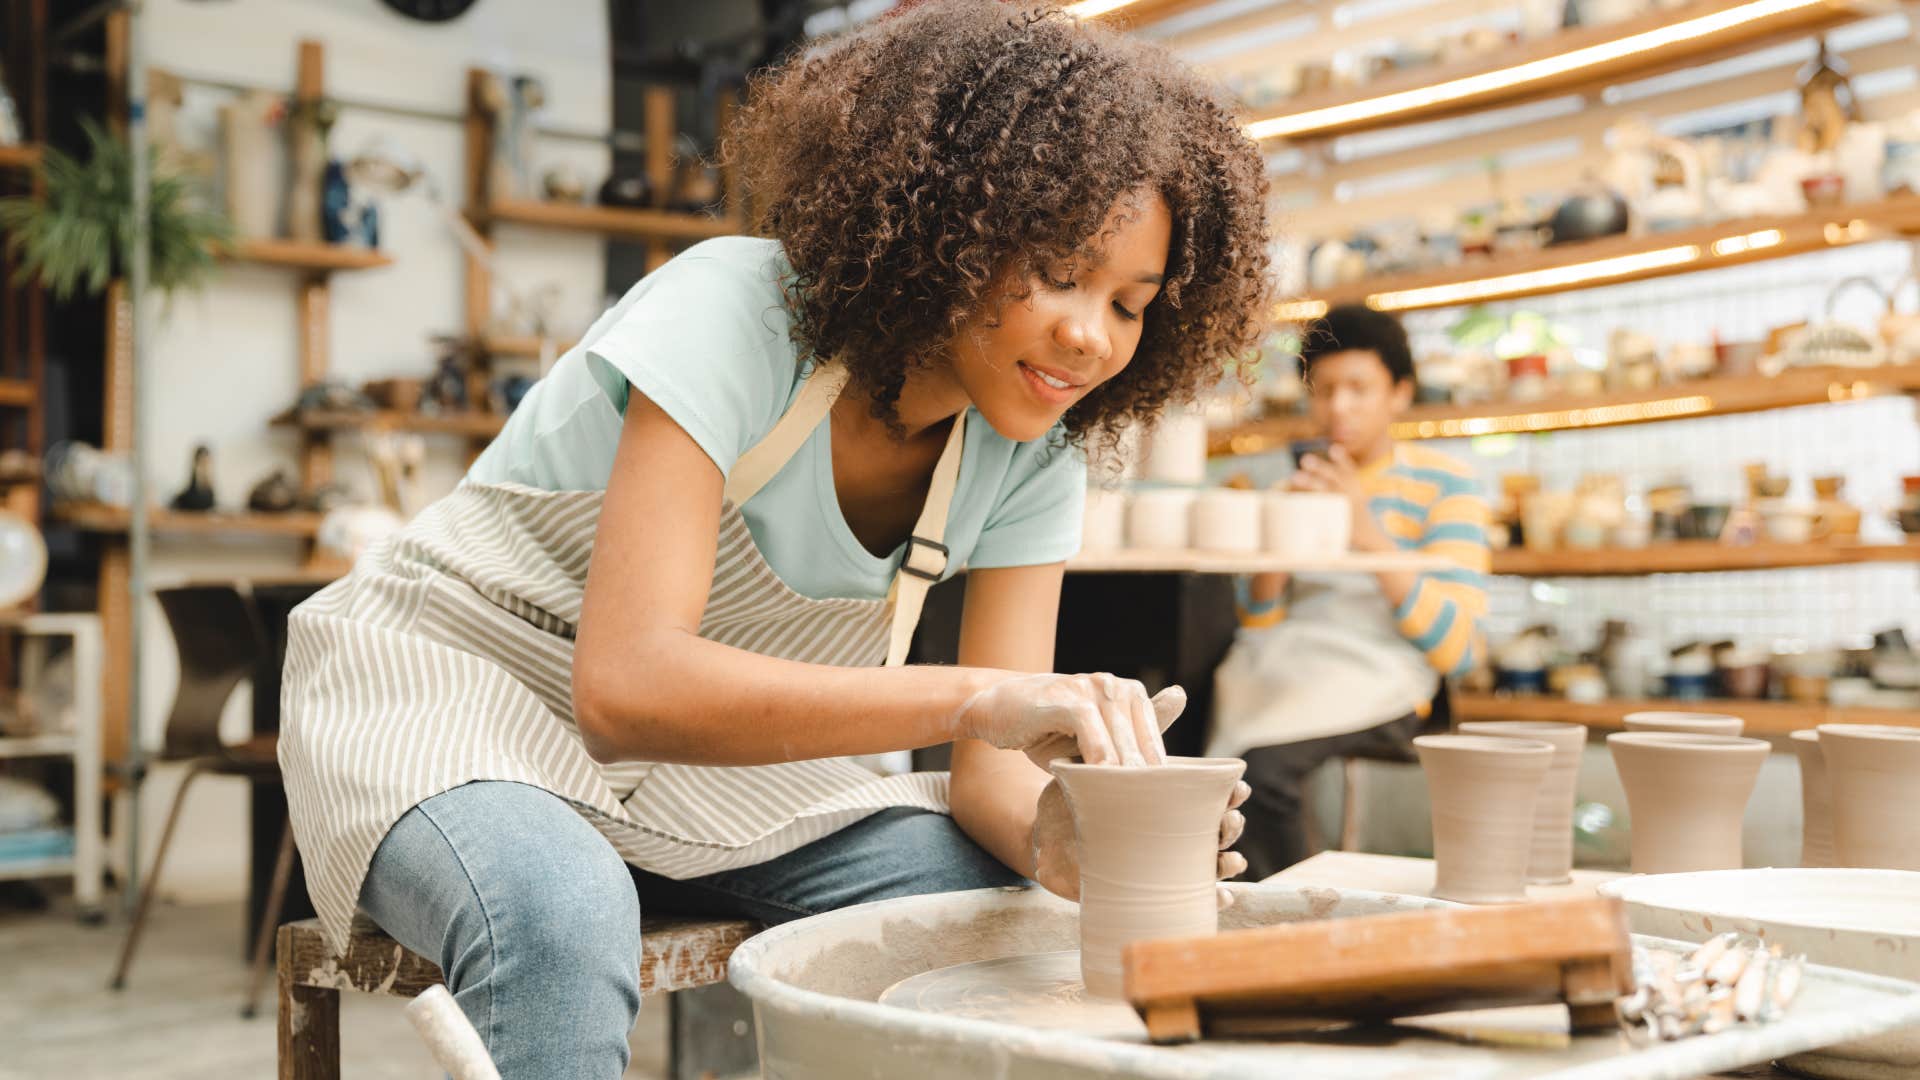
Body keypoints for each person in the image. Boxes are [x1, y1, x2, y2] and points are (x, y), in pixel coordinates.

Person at [277, 4, 1275, 1075]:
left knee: (991, 907)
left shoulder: (1037, 449)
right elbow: (627, 688)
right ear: (957, 227)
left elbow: (991, 783)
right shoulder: (736, 312)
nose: (1091, 335)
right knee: (560, 911)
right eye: (1062, 272)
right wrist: (969, 695)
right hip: (454, 700)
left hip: (710, 782)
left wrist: (1066, 839)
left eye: (1130, 304)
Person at [1209, 304, 1490, 882]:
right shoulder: (1293, 486)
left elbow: (1459, 650)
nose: (1339, 407)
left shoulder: (1446, 485)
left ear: (1400, 394)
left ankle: (1294, 919)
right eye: (1326, 390)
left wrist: (1363, 529)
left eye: (1360, 388)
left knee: (1259, 769)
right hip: (1288, 667)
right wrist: (1274, 552)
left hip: (1392, 686)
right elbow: (1258, 628)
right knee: (1192, 745)